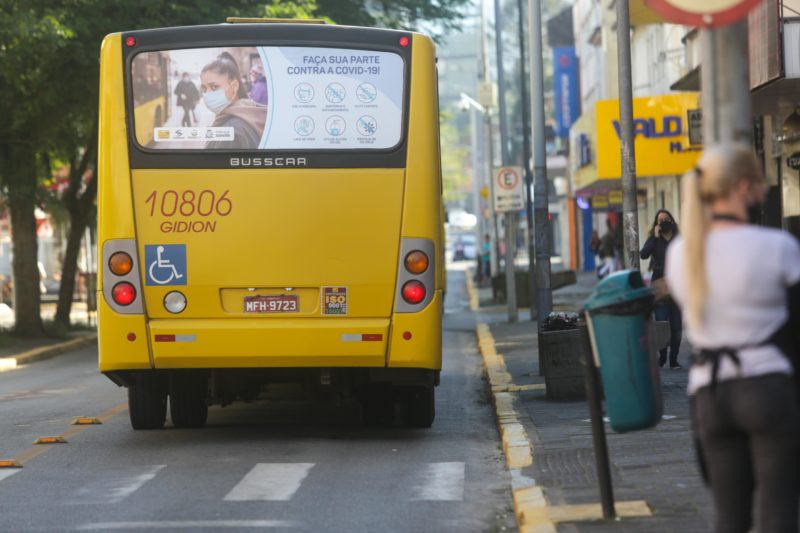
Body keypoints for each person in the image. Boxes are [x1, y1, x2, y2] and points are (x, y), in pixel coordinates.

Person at [665, 143, 800, 533]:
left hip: (710, 394)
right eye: (759, 181)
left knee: (729, 517)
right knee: (778, 513)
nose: (763, 190)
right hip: (767, 386)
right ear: (743, 188)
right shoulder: (778, 247)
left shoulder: (680, 255)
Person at [641, 209, 682, 369]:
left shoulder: (679, 238)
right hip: (660, 285)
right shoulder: (654, 239)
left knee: (677, 325)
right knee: (661, 323)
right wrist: (655, 237)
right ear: (656, 223)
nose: (663, 221)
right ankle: (662, 355)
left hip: (678, 286)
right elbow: (643, 255)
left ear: (671, 220)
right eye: (660, 220)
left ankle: (673, 359)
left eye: (666, 218)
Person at [200, 52, 267, 149]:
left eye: (214, 87)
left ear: (234, 87)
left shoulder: (232, 132)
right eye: (204, 88)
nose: (208, 94)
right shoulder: (246, 112)